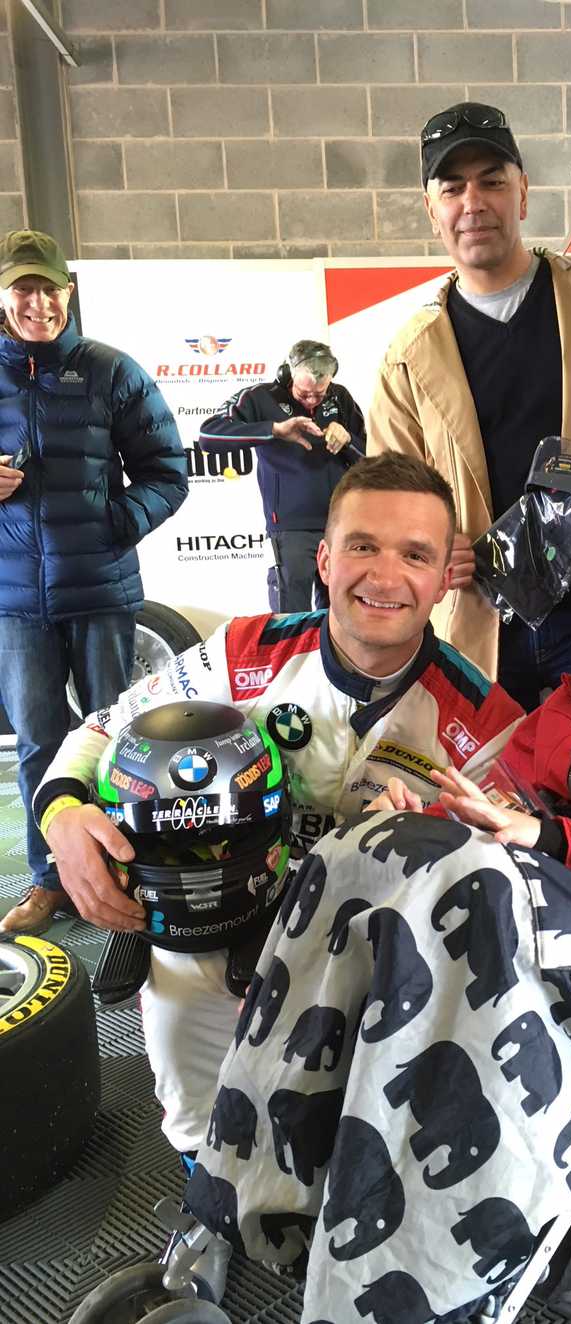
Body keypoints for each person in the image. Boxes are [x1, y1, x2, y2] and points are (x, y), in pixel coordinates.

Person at [184, 512, 571, 1324]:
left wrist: (541, 834)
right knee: (364, 845)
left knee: (462, 880)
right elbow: (495, 789)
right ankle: (254, 1186)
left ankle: (402, 1285)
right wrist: (435, 810)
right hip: (546, 876)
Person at [34, 453, 522, 1301]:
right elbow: (102, 728)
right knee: (180, 994)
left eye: (414, 554)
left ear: (447, 575)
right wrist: (64, 818)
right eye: (361, 546)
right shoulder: (242, 652)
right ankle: (210, 1202)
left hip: (378, 962)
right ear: (323, 558)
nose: (383, 574)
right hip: (224, 929)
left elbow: (518, 876)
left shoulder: (484, 720)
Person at [368, 100, 571, 710]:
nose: (473, 203)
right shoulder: (408, 357)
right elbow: (386, 494)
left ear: (524, 193)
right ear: (432, 209)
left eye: (492, 181)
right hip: (475, 629)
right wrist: (427, 545)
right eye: (452, 187)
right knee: (488, 794)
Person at [0, 228, 187, 938]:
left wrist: (117, 521)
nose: (37, 302)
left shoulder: (112, 370)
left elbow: (168, 471)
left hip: (102, 590)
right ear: (4, 296)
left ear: (67, 293)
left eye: (48, 288)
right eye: (23, 288)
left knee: (118, 739)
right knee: (39, 741)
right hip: (14, 601)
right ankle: (52, 879)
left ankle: (125, 866)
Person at [199, 339, 365, 613]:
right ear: (287, 374)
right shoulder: (260, 397)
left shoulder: (341, 397)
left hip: (341, 528)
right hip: (290, 531)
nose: (312, 399)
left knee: (341, 618)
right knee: (291, 621)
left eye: (319, 393)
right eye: (304, 393)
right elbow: (208, 436)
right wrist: (273, 430)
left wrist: (348, 440)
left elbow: (371, 459)